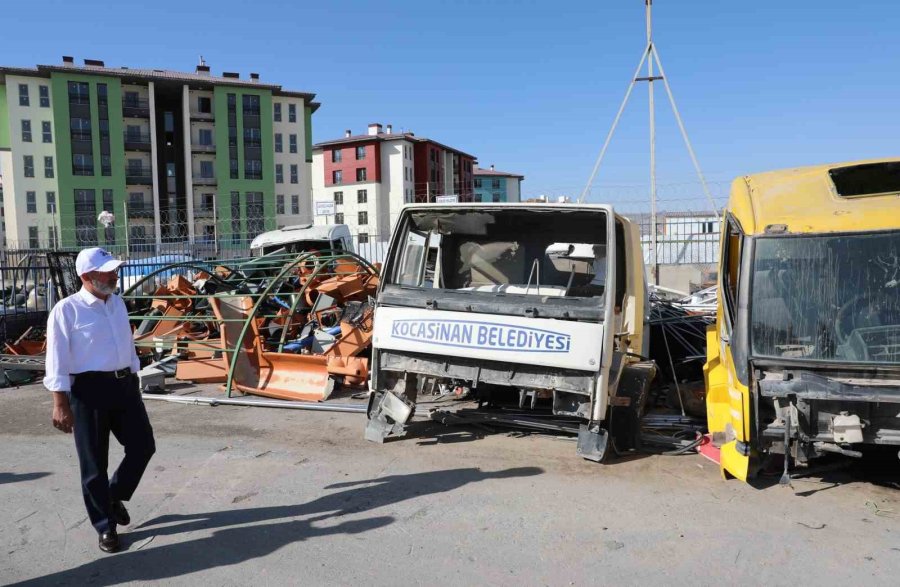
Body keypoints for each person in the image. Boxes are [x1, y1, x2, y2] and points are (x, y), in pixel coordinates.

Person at [44, 247, 155, 553]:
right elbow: (56, 359)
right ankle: (105, 526)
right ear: (87, 276)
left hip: (124, 386)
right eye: (107, 271)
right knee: (94, 464)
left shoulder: (117, 303)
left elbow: (126, 344)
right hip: (88, 392)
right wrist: (59, 402)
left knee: (143, 446)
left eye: (114, 269)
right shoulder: (67, 310)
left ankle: (113, 495)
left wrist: (135, 375)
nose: (114, 275)